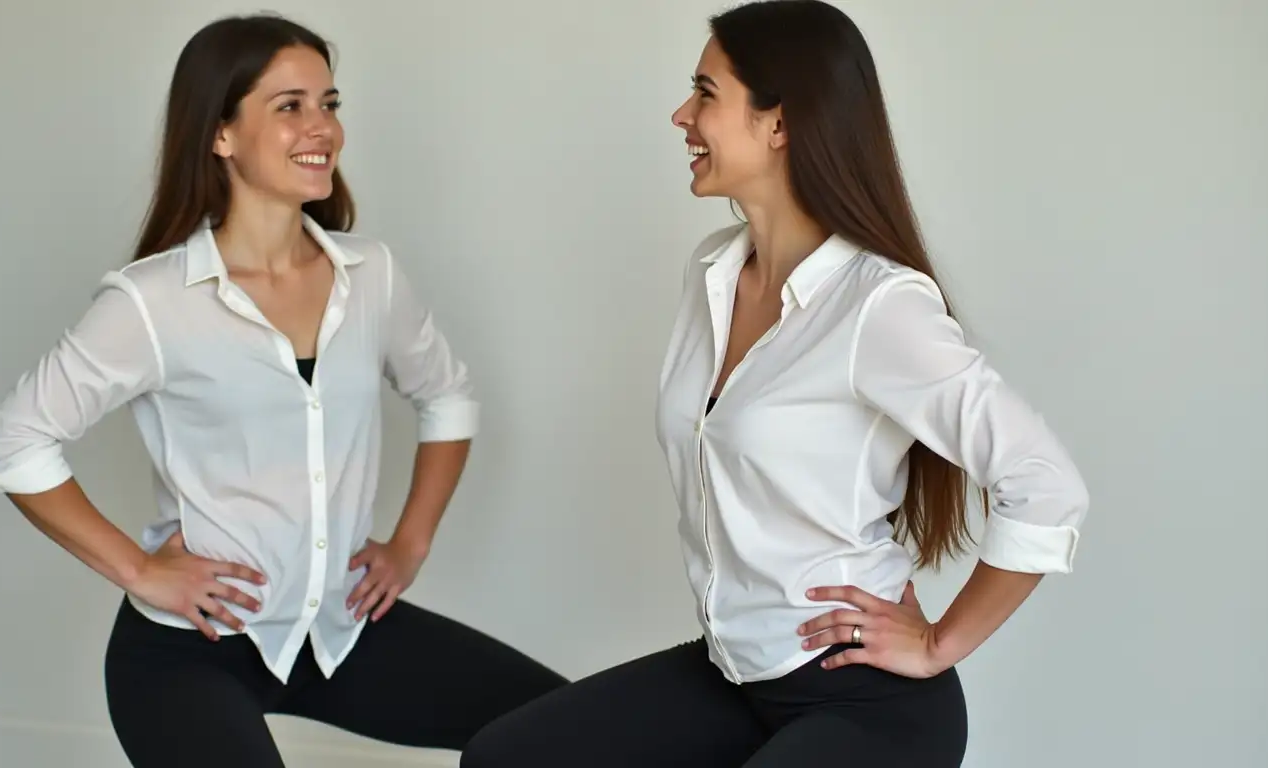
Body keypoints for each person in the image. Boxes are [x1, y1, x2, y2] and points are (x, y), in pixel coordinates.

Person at [460, 2, 1090, 766]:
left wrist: (937, 643)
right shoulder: (712, 274)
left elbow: (1046, 484)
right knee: (506, 757)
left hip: (864, 702)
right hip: (735, 675)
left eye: (705, 93)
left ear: (779, 124)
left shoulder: (876, 306)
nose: (680, 114)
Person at [0, 14, 566, 767]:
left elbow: (447, 396)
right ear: (220, 134)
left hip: (342, 629)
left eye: (330, 103)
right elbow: (14, 442)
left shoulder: (369, 274)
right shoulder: (152, 302)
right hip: (190, 653)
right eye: (290, 106)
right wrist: (139, 568)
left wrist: (409, 543)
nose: (323, 128)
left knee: (566, 731)